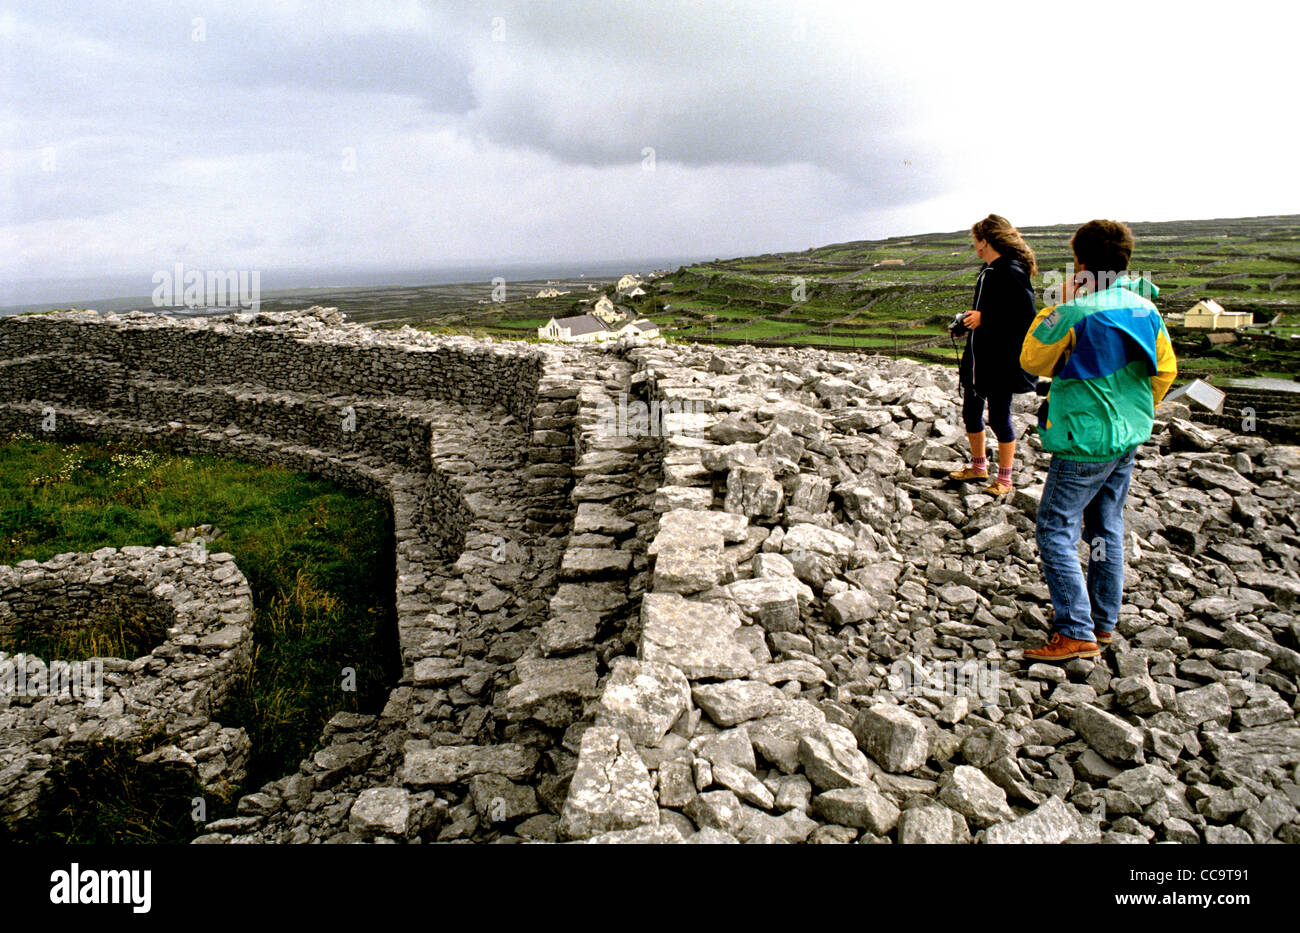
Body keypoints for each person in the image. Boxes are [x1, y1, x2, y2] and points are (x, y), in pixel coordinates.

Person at [1019, 219, 1177, 661]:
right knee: (1106, 528)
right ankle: (1103, 624)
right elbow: (1165, 371)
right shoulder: (1146, 310)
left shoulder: (1076, 312)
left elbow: (1032, 359)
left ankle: (1075, 631)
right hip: (1127, 438)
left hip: (1083, 441)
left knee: (1055, 528)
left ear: (1080, 261)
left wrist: (1060, 303)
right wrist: (1136, 410)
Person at [948, 215, 1040, 496]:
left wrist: (985, 318)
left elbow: (1026, 316)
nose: (973, 245)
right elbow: (990, 312)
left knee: (1000, 417)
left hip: (1001, 360)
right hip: (979, 356)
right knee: (971, 412)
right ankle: (978, 467)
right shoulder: (990, 269)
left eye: (975, 240)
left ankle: (1005, 479)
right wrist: (967, 322)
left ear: (984, 241)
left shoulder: (1010, 270)